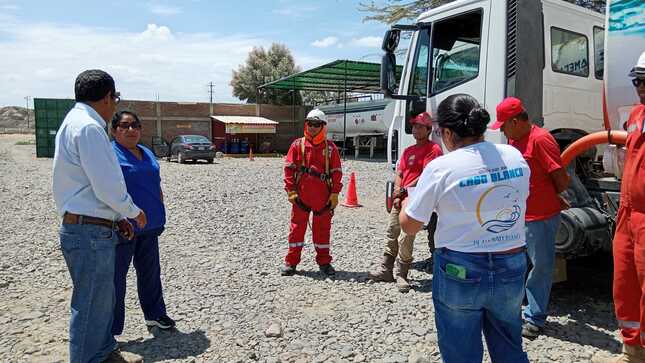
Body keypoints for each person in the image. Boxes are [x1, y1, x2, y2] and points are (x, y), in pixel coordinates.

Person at [400, 94, 531, 363]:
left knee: (461, 352)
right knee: (509, 344)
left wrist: (406, 201)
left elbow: (410, 225)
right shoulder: (515, 156)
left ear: (447, 133)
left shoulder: (442, 168)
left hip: (461, 269)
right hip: (512, 263)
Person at [53, 70, 146, 363]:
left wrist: (116, 218)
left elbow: (86, 185)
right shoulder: (89, 128)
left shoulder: (75, 122)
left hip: (88, 226)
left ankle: (103, 351)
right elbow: (106, 185)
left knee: (100, 300)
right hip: (89, 233)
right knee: (91, 303)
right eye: (114, 99)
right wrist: (131, 211)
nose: (114, 105)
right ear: (108, 97)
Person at [490, 97, 570, 338]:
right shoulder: (515, 141)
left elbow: (560, 177)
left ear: (516, 121)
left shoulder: (540, 139)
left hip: (541, 216)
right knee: (516, 264)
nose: (502, 130)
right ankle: (514, 309)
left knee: (541, 268)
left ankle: (535, 318)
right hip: (519, 214)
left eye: (504, 125)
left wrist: (553, 196)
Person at [593, 51, 645, 363]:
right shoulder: (638, 114)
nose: (640, 86)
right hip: (629, 212)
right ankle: (632, 350)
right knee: (624, 283)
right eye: (637, 80)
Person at [110, 111, 175, 338]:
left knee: (150, 273)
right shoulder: (110, 154)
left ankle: (155, 314)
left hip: (150, 226)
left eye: (135, 125)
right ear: (114, 130)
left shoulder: (146, 152)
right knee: (116, 278)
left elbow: (155, 182)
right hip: (122, 227)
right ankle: (112, 329)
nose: (131, 130)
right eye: (125, 125)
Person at [368, 112, 443, 292]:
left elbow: (427, 175)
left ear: (428, 129)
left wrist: (403, 190)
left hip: (414, 197)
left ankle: (402, 274)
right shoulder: (408, 150)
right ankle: (386, 270)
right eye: (414, 126)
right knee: (392, 231)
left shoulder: (433, 150)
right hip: (402, 196)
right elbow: (400, 173)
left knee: (406, 236)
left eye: (420, 126)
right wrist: (397, 191)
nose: (415, 129)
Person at [281, 109, 342, 276]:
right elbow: (288, 170)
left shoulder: (330, 148)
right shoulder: (297, 145)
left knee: (322, 231)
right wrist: (291, 192)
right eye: (310, 124)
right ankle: (291, 262)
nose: (312, 127)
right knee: (296, 230)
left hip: (323, 198)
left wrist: (334, 194)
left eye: (316, 124)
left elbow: (336, 173)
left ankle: (324, 263)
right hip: (301, 197)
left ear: (323, 126)